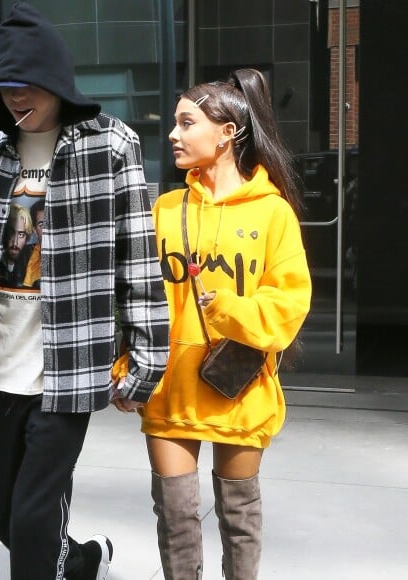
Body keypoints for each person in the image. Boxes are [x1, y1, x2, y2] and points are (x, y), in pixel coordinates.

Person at [0, 3, 170, 580]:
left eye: (27, 84)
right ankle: (82, 561)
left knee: (34, 518)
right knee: (0, 508)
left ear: (57, 79)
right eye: (4, 86)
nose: (15, 97)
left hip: (66, 369)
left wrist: (146, 364)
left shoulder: (109, 145)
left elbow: (138, 258)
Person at [137, 69, 312, 579]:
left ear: (227, 131)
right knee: (176, 520)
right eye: (174, 124)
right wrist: (128, 362)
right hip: (170, 387)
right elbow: (139, 298)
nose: (173, 134)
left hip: (240, 386)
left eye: (187, 123)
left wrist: (226, 307)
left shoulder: (272, 212)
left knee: (239, 520)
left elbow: (289, 305)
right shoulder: (166, 210)